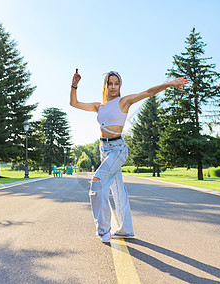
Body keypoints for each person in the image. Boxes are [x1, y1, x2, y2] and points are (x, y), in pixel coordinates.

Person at [70, 69, 188, 242]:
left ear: (120, 86)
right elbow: (74, 103)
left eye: (116, 84)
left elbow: (147, 93)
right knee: (118, 190)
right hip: (104, 149)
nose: (113, 87)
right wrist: (74, 85)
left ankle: (103, 231)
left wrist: (169, 83)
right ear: (105, 85)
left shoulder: (123, 102)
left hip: (118, 149)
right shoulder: (99, 107)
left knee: (97, 180)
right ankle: (126, 229)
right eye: (110, 83)